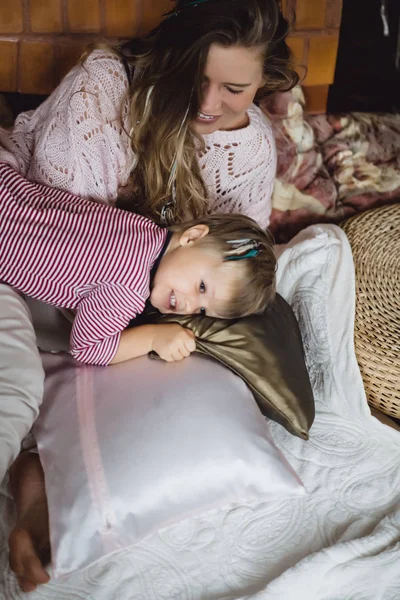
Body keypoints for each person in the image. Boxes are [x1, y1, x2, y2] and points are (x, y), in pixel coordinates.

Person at [0, 0, 298, 591]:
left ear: (266, 82)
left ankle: (42, 488)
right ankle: (31, 462)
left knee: (171, 404)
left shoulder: (251, 152)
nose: (209, 106)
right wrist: (154, 331)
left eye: (235, 89)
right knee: (16, 385)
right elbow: (57, 241)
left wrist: (178, 314)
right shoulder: (105, 89)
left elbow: (235, 263)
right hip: (27, 269)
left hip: (95, 294)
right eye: (196, 79)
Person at [0, 162, 276, 365]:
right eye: (201, 286)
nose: (189, 306)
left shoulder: (141, 226)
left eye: (203, 310)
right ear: (192, 236)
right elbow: (86, 348)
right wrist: (153, 337)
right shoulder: (129, 289)